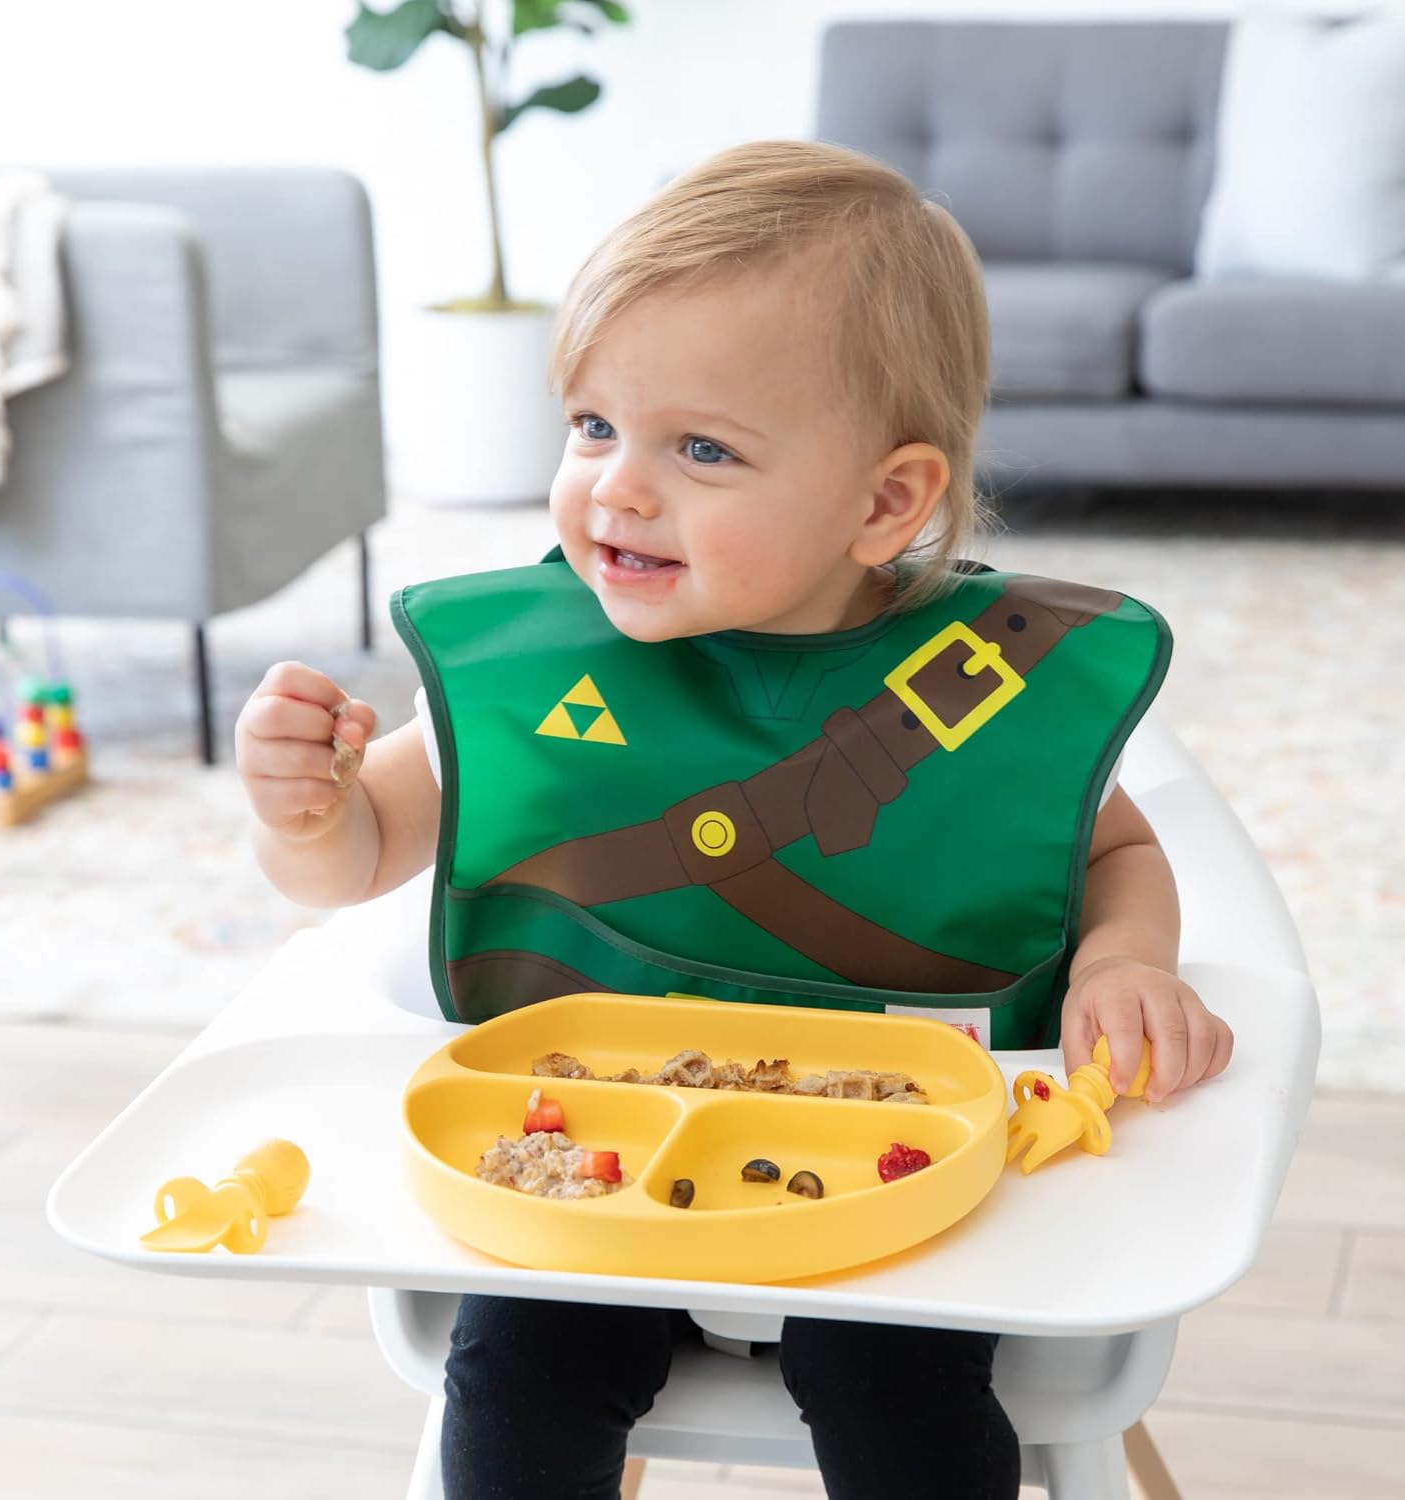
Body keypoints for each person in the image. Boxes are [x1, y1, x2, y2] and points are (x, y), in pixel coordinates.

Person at [236, 140, 1234, 1500]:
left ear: (886, 502)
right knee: (520, 1375)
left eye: (701, 448)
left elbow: (1110, 849)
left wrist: (1127, 962)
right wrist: (308, 809)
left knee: (904, 1395)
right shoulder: (548, 661)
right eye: (593, 425)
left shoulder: (966, 692)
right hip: (584, 1142)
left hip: (896, 1161)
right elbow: (357, 859)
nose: (618, 487)